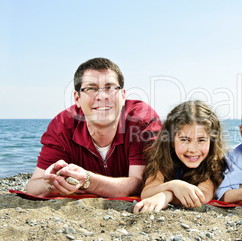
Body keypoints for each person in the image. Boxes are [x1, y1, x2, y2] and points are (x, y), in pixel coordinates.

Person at [26, 58, 162, 198]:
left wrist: (87, 180)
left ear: (123, 96)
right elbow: (33, 187)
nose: (102, 96)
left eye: (110, 87)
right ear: (77, 98)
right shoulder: (62, 126)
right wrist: (52, 182)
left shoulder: (141, 121)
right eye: (91, 88)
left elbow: (141, 184)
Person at [133, 100, 226, 213]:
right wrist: (174, 185)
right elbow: (147, 192)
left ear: (211, 141)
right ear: (171, 140)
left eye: (201, 140)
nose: (193, 149)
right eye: (185, 140)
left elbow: (203, 196)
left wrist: (167, 195)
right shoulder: (162, 158)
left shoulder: (213, 162)